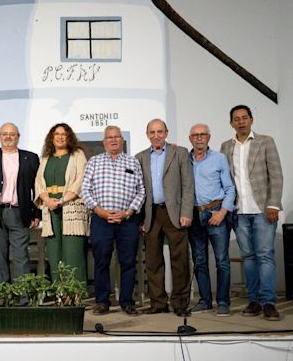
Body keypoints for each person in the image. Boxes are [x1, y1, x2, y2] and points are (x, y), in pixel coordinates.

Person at [221, 105, 283, 321]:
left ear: (251, 120)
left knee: (265, 255)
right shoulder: (226, 147)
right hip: (239, 211)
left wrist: (273, 204)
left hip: (263, 210)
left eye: (244, 118)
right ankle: (254, 300)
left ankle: (268, 302)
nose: (241, 122)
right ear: (231, 123)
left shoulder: (265, 141)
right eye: (236, 119)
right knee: (248, 257)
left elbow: (275, 175)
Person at [82, 126, 145, 316]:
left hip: (127, 220)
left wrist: (128, 212)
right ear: (104, 142)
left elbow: (141, 191)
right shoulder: (94, 162)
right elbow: (85, 190)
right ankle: (102, 302)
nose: (113, 140)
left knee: (128, 262)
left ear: (122, 140)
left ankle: (127, 301)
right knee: (102, 262)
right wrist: (100, 211)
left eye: (117, 137)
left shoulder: (133, 162)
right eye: (109, 137)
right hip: (102, 220)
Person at [135, 119, 194, 317]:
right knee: (152, 261)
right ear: (147, 134)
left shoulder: (180, 153)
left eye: (160, 131)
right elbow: (139, 189)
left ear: (166, 133)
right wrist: (141, 218)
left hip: (175, 213)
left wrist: (186, 213)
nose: (156, 135)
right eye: (152, 132)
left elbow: (187, 185)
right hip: (151, 213)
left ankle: (180, 303)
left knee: (180, 260)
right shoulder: (140, 157)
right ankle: (158, 303)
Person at [0, 123, 40, 283]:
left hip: (19, 212)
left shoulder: (31, 157)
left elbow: (37, 187)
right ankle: (4, 296)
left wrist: (37, 213)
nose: (8, 137)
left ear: (18, 137)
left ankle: (23, 297)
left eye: (12, 134)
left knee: (21, 256)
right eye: (4, 134)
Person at [188, 123, 235, 317]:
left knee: (222, 261)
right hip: (194, 215)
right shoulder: (185, 159)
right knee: (199, 261)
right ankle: (205, 300)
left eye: (203, 135)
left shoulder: (219, 158)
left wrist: (223, 212)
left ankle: (223, 301)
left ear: (209, 137)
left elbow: (230, 188)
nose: (199, 138)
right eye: (195, 135)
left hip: (215, 212)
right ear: (190, 138)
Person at [34, 123, 89, 283]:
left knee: (73, 253)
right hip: (51, 209)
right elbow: (38, 182)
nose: (60, 137)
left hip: (71, 207)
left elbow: (81, 180)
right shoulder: (45, 157)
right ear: (51, 137)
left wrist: (63, 200)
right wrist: (47, 200)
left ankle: (74, 294)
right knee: (54, 253)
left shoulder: (77, 154)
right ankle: (59, 292)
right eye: (56, 134)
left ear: (69, 137)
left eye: (63, 134)